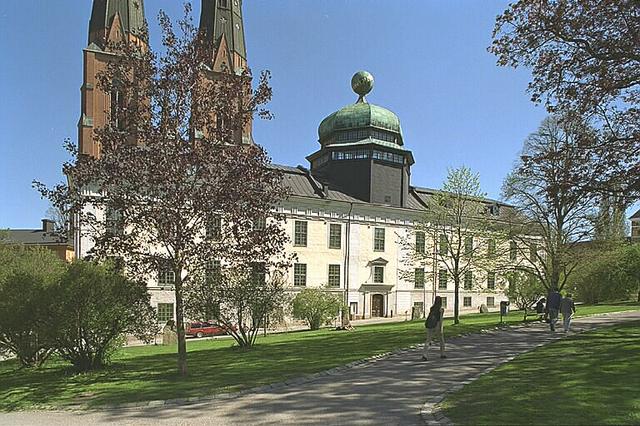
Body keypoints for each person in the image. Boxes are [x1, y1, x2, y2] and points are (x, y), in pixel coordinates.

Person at [422, 296, 446, 361]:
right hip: (437, 325)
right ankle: (442, 354)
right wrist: (441, 327)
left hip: (430, 325)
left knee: (428, 340)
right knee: (441, 340)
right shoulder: (441, 309)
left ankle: (425, 354)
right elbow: (440, 319)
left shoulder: (432, 308)